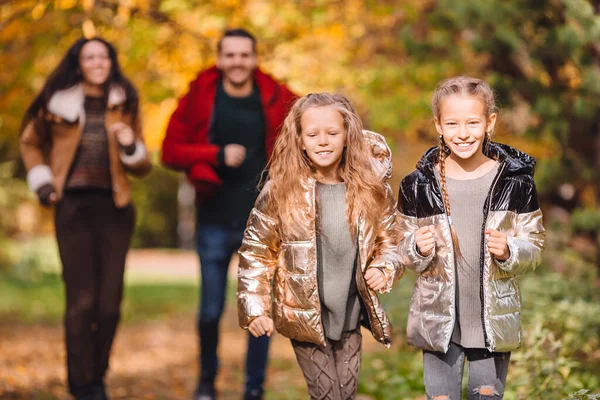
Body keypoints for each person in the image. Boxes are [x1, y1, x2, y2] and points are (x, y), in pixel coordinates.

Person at [237, 93, 402, 400]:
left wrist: (384, 266)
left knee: (347, 393)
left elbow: (392, 240)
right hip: (303, 317)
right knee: (327, 395)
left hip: (351, 313)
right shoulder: (282, 191)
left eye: (332, 133)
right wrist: (255, 308)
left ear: (348, 137)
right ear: (299, 139)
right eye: (313, 134)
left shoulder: (371, 189)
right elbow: (256, 252)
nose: (323, 142)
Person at [160, 28, 296, 400]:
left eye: (244, 55)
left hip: (264, 222)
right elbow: (169, 150)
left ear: (254, 58)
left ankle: (254, 389)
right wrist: (215, 155)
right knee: (209, 310)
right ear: (220, 59)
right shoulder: (200, 95)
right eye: (230, 55)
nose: (238, 62)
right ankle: (207, 383)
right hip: (214, 219)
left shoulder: (275, 95)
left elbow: (308, 134)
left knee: (259, 311)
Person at [396, 76, 546, 399]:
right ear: (438, 124)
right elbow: (400, 246)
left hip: (492, 326)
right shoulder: (418, 185)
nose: (462, 134)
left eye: (472, 123)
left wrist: (510, 250)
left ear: (489, 122)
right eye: (452, 123)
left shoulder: (515, 182)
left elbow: (535, 246)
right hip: (440, 326)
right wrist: (416, 247)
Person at [19, 37, 151, 400]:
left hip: (114, 209)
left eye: (104, 56)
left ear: (111, 62)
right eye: (89, 57)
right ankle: (82, 387)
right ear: (78, 63)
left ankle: (97, 376)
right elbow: (29, 143)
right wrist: (43, 183)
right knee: (81, 302)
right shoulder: (56, 102)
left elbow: (143, 165)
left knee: (109, 305)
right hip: (72, 208)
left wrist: (128, 144)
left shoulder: (126, 101)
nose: (97, 62)